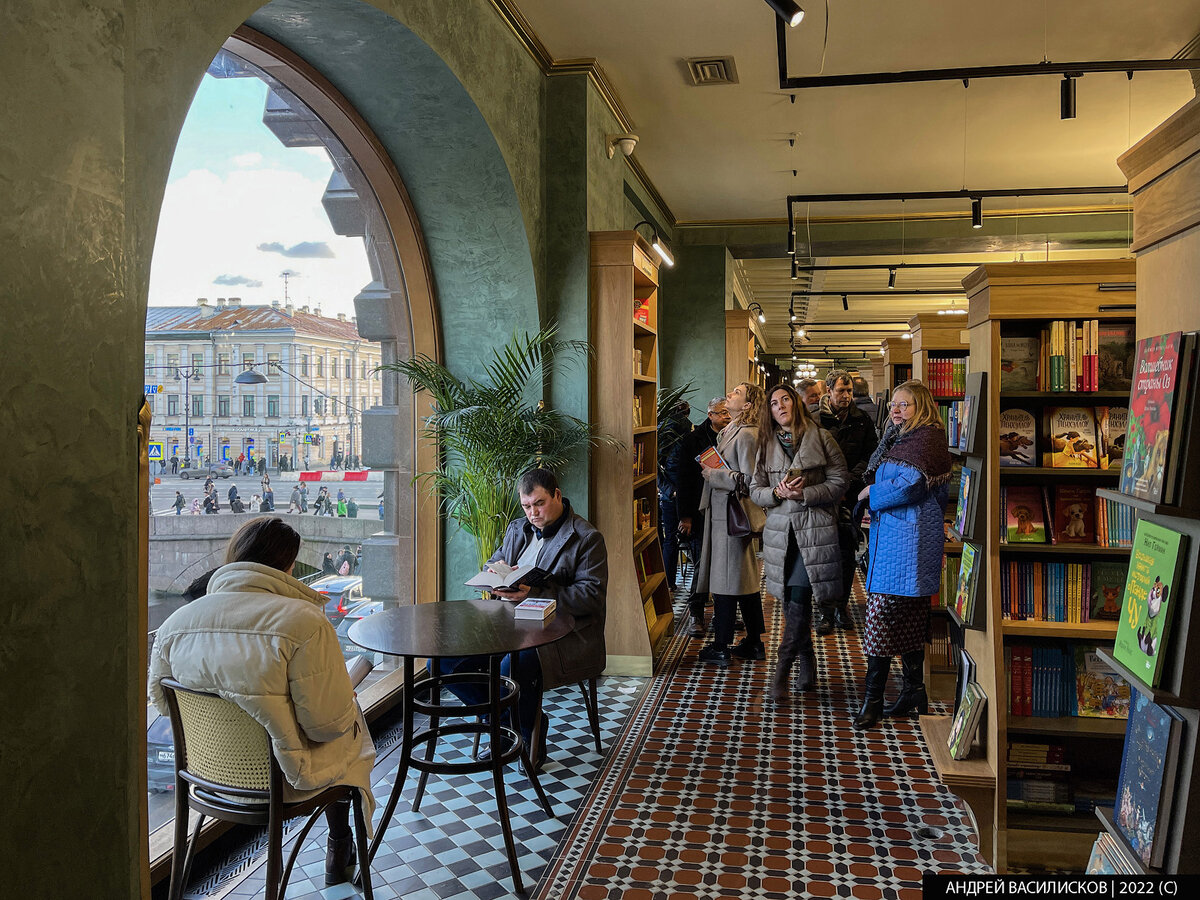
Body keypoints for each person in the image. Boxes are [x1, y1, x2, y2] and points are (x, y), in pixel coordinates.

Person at [148, 517, 375, 885]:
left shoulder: (176, 624)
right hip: (285, 779)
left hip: (205, 778)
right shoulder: (304, 622)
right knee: (350, 723)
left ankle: (339, 843)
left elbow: (162, 702)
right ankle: (339, 844)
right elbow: (326, 726)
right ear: (287, 566)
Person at [439, 468, 608, 770]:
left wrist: (536, 592)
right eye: (527, 506)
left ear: (557, 495)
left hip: (561, 633)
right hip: (509, 623)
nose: (533, 513)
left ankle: (517, 729)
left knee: (513, 664)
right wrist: (495, 571)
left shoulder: (587, 538)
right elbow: (496, 559)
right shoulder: (517, 528)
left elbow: (591, 597)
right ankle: (510, 721)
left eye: (539, 504)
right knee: (441, 663)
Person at [853, 380, 953, 730]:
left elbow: (910, 485)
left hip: (909, 542)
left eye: (904, 405)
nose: (895, 409)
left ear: (921, 407)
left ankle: (873, 701)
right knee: (909, 618)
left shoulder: (926, 438)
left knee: (880, 620)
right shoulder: (901, 437)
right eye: (894, 404)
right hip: (897, 538)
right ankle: (914, 691)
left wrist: (871, 491)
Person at [750, 384, 849, 702]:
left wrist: (804, 494)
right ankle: (808, 662)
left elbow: (839, 480)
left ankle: (780, 672)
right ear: (770, 411)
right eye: (773, 402)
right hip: (781, 538)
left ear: (796, 403)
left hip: (815, 533)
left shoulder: (822, 437)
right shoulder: (765, 443)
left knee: (799, 603)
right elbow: (756, 488)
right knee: (796, 604)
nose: (779, 406)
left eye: (785, 399)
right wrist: (776, 493)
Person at [695, 382, 768, 666]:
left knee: (726, 579)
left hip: (733, 514)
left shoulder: (747, 435)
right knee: (742, 578)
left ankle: (721, 645)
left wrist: (715, 476)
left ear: (748, 405)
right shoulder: (735, 430)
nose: (730, 394)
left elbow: (750, 480)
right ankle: (753, 642)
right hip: (726, 513)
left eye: (736, 393)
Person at [817, 369, 880, 635]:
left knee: (845, 554)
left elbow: (870, 456)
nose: (846, 396)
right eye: (841, 391)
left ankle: (840, 608)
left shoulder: (862, 420)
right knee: (822, 556)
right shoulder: (815, 420)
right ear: (828, 391)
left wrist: (849, 483)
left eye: (849, 391)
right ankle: (824, 610)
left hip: (850, 495)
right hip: (821, 497)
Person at [675, 397, 731, 638]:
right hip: (700, 511)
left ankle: (724, 614)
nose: (727, 417)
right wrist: (685, 516)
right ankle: (696, 613)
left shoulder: (734, 436)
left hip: (727, 509)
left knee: (726, 565)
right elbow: (683, 480)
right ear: (710, 415)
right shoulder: (693, 439)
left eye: (729, 412)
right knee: (700, 565)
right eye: (722, 413)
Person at [657, 399, 693, 591]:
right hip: (683, 494)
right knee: (694, 539)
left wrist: (667, 490)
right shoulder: (686, 433)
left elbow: (654, 468)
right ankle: (700, 589)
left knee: (670, 539)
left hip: (668, 496)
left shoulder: (659, 432)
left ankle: (669, 584)